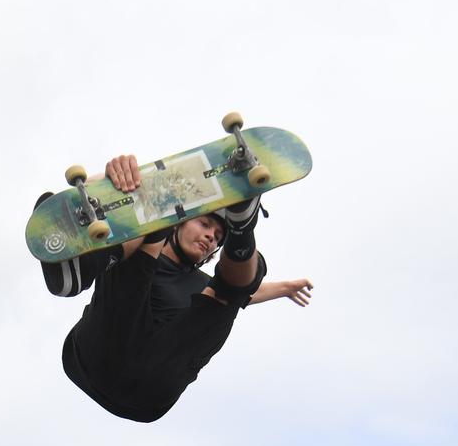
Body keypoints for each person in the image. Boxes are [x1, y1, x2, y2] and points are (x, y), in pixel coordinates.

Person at [36, 155, 314, 422]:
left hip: (151, 386)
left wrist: (286, 287)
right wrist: (112, 182)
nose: (210, 236)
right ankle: (80, 264)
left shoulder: (205, 288)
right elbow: (121, 200)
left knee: (233, 291)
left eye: (218, 237)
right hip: (98, 353)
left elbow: (248, 293)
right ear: (181, 223)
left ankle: (242, 228)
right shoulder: (143, 246)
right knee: (145, 222)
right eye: (204, 224)